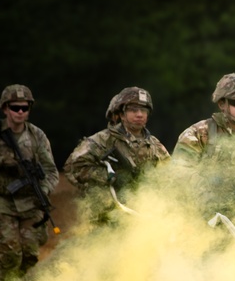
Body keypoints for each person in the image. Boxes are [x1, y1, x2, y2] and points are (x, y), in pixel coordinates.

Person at [0, 84, 60, 281]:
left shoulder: (37, 136)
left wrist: (44, 190)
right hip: (0, 200)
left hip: (30, 201)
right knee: (10, 253)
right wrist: (2, 161)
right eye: (15, 107)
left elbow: (51, 171)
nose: (20, 112)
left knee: (29, 254)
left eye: (24, 108)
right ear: (5, 109)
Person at [63, 86, 170, 220]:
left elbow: (168, 176)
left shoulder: (155, 145)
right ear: (121, 114)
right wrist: (108, 177)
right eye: (133, 110)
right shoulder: (102, 140)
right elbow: (73, 167)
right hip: (106, 215)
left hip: (141, 213)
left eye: (144, 110)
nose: (139, 114)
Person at [173, 73, 235, 214]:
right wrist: (208, 196)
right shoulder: (199, 133)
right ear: (222, 104)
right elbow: (179, 171)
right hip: (197, 214)